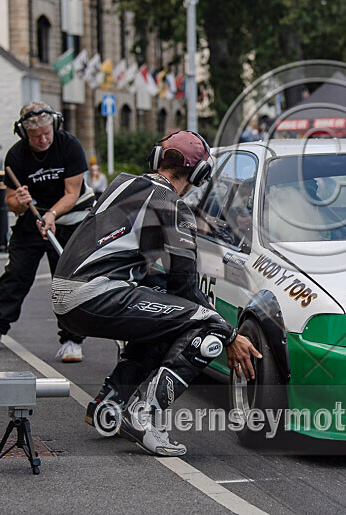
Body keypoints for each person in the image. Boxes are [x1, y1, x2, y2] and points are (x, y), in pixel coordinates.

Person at [51, 130, 259, 456]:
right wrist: (229, 333)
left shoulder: (122, 184)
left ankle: (110, 405)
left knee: (168, 315)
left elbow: (155, 274)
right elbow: (184, 286)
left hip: (66, 295)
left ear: (157, 157)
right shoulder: (171, 205)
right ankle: (143, 415)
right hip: (97, 292)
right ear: (199, 175)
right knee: (206, 328)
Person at [0, 101, 93, 362]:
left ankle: (72, 340)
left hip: (68, 219)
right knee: (16, 274)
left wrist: (52, 215)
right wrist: (19, 200)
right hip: (31, 221)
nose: (42, 140)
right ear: (24, 134)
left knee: (67, 281)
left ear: (55, 126)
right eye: (35, 136)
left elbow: (72, 193)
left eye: (46, 133)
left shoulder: (69, 146)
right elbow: (11, 203)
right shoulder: (16, 156)